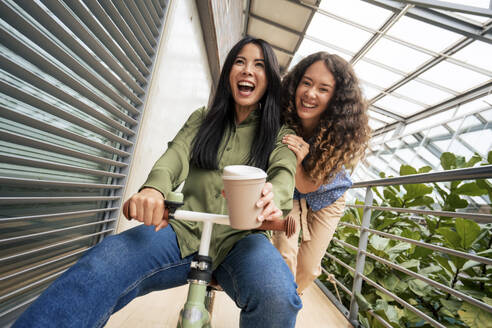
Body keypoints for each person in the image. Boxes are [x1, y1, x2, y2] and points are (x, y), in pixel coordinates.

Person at [13, 37, 301, 328]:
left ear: (270, 80)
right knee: (104, 263)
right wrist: (153, 189)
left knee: (278, 296)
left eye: (259, 65)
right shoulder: (203, 118)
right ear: (228, 72)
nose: (247, 70)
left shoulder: (279, 132)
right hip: (182, 231)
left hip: (243, 240)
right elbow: (175, 157)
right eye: (240, 61)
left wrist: (271, 198)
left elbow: (283, 174)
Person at [272, 52, 370, 294]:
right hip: (291, 189)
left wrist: (298, 161)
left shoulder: (341, 133)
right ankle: (276, 307)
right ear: (296, 84)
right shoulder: (282, 115)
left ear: (335, 98)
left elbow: (308, 185)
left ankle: (287, 302)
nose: (310, 93)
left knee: (307, 267)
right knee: (284, 255)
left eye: (323, 89)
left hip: (327, 195)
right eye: (306, 83)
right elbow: (298, 187)